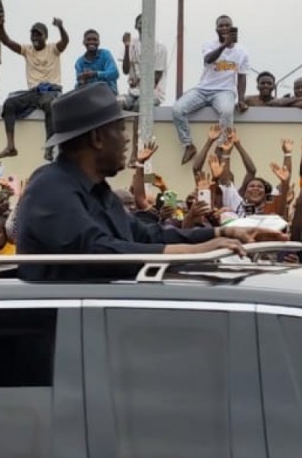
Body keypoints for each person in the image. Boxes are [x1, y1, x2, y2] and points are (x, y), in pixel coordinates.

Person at [16, 83, 282, 281]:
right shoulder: (50, 188)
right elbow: (99, 252)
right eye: (120, 129)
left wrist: (221, 233)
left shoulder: (99, 192)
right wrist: (197, 251)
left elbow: (146, 235)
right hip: (60, 335)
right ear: (97, 138)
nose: (126, 139)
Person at [172, 15, 252, 164]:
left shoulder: (242, 52)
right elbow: (208, 60)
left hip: (225, 91)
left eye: (227, 25)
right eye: (220, 26)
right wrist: (224, 45)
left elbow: (242, 76)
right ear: (216, 30)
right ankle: (188, 145)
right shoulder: (209, 45)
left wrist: (241, 99)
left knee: (227, 112)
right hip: (203, 89)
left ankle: (221, 146)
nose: (224, 28)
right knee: (178, 109)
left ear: (232, 27)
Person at [0, 15, 67, 159]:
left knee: (50, 104)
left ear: (45, 37)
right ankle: (10, 146)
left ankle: (49, 146)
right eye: (33, 35)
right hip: (34, 92)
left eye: (38, 35)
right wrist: (0, 26)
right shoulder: (27, 50)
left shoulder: (53, 49)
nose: (35, 38)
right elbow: (7, 42)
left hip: (51, 91)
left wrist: (60, 27)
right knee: (9, 104)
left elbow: (65, 41)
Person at [119, 14, 167, 112]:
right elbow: (125, 70)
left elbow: (156, 77)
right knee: (117, 104)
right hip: (133, 92)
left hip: (154, 93)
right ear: (136, 26)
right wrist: (127, 46)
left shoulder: (160, 48)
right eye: (140, 23)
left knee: (139, 105)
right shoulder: (131, 44)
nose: (143, 25)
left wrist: (139, 81)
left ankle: (138, 128)